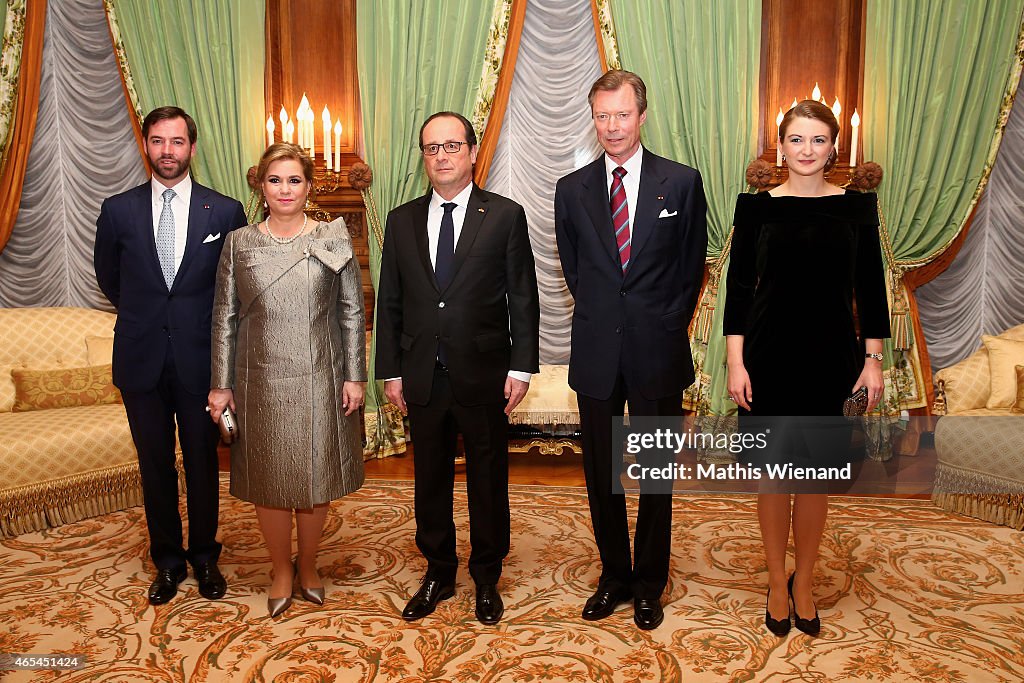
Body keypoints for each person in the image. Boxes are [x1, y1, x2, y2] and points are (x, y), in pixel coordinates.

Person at [723, 100, 890, 637]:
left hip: (832, 360)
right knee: (773, 478)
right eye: (797, 139)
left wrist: (873, 361)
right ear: (781, 145)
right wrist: (735, 362)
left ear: (833, 148)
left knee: (814, 477)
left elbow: (871, 289)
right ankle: (776, 580)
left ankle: (805, 581)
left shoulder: (857, 208)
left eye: (818, 140)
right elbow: (739, 293)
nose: (807, 151)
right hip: (767, 360)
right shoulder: (755, 209)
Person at [554, 70, 708, 630]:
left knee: (654, 474)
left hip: (657, 350)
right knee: (602, 473)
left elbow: (691, 268)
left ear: (642, 116)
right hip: (596, 350)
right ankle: (615, 575)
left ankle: (649, 582)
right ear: (592, 119)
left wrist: (664, 321)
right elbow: (576, 272)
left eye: (622, 114)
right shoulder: (571, 190)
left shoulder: (683, 182)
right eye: (602, 115)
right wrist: (606, 316)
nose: (612, 126)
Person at [375, 111, 540, 625]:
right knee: (430, 478)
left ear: (472, 152)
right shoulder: (401, 220)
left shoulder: (506, 216)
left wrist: (522, 368)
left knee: (489, 478)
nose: (442, 156)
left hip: (485, 373)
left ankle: (487, 576)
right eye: (432, 148)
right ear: (423, 156)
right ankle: (440, 571)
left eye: (452, 146)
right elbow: (391, 301)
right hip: (422, 373)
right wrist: (390, 371)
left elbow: (523, 297)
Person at [94, 106, 246, 605]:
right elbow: (111, 280)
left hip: (201, 362)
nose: (167, 152)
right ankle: (167, 559)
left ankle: (204, 556)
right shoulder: (117, 210)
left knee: (203, 461)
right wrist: (148, 320)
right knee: (154, 463)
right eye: (158, 141)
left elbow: (233, 290)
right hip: (140, 359)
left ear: (192, 148)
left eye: (176, 142)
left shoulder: (223, 212)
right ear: (146, 145)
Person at [207, 142, 366, 617]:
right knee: (270, 480)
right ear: (260, 186)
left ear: (309, 186)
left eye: (294, 180)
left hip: (320, 376)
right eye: (275, 180)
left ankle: (310, 565)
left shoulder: (333, 237)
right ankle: (280, 568)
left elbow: (352, 313)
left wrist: (355, 376)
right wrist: (220, 384)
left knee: (315, 477)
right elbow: (224, 317)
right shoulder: (239, 242)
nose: (284, 189)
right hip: (259, 382)